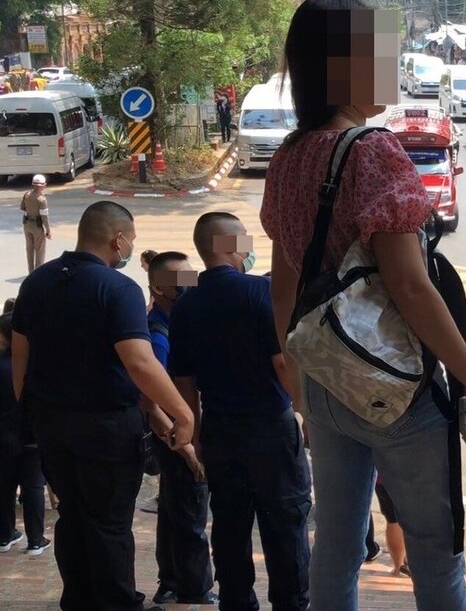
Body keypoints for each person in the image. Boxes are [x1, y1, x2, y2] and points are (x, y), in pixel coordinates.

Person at [260, 0, 466, 611]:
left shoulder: (289, 155)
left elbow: (284, 279)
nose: (393, 61)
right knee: (434, 550)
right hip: (395, 390)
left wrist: (295, 371)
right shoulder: (372, 151)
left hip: (325, 383)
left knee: (337, 540)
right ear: (344, 65)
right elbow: (412, 287)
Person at [10, 200, 195, 611]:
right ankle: (117, 603)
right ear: (118, 239)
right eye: (130, 239)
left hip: (51, 423)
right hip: (105, 427)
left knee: (73, 517)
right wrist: (182, 413)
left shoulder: (36, 282)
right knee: (109, 522)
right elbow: (139, 360)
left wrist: (34, 413)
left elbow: (21, 357)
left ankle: (79, 600)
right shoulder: (118, 288)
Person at [169, 212, 311, 611]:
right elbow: (282, 363)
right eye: (244, 239)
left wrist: (195, 435)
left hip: (219, 431)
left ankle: (236, 603)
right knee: (285, 525)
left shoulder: (185, 305)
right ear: (227, 245)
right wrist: (303, 412)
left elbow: (185, 381)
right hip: (270, 429)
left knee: (229, 528)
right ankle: (292, 604)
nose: (248, 247)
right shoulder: (261, 292)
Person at [147, 252, 216, 606]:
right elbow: (153, 401)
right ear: (158, 287)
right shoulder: (159, 337)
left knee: (174, 510)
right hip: (177, 438)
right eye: (180, 281)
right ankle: (195, 589)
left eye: (192, 277)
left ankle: (171, 581)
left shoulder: (178, 325)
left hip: (178, 436)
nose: (189, 286)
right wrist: (188, 447)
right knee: (190, 513)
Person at [0, 311, 49, 555]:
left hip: (3, 437)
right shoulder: (33, 366)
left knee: (5, 487)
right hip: (31, 435)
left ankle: (5, 535)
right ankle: (36, 539)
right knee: (32, 487)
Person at [21, 174, 51, 274]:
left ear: (33, 185)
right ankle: (38, 273)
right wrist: (48, 231)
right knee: (40, 250)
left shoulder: (27, 195)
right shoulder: (42, 200)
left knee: (29, 249)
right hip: (37, 227)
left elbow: (23, 208)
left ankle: (30, 271)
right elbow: (44, 217)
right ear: (43, 186)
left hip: (27, 225)